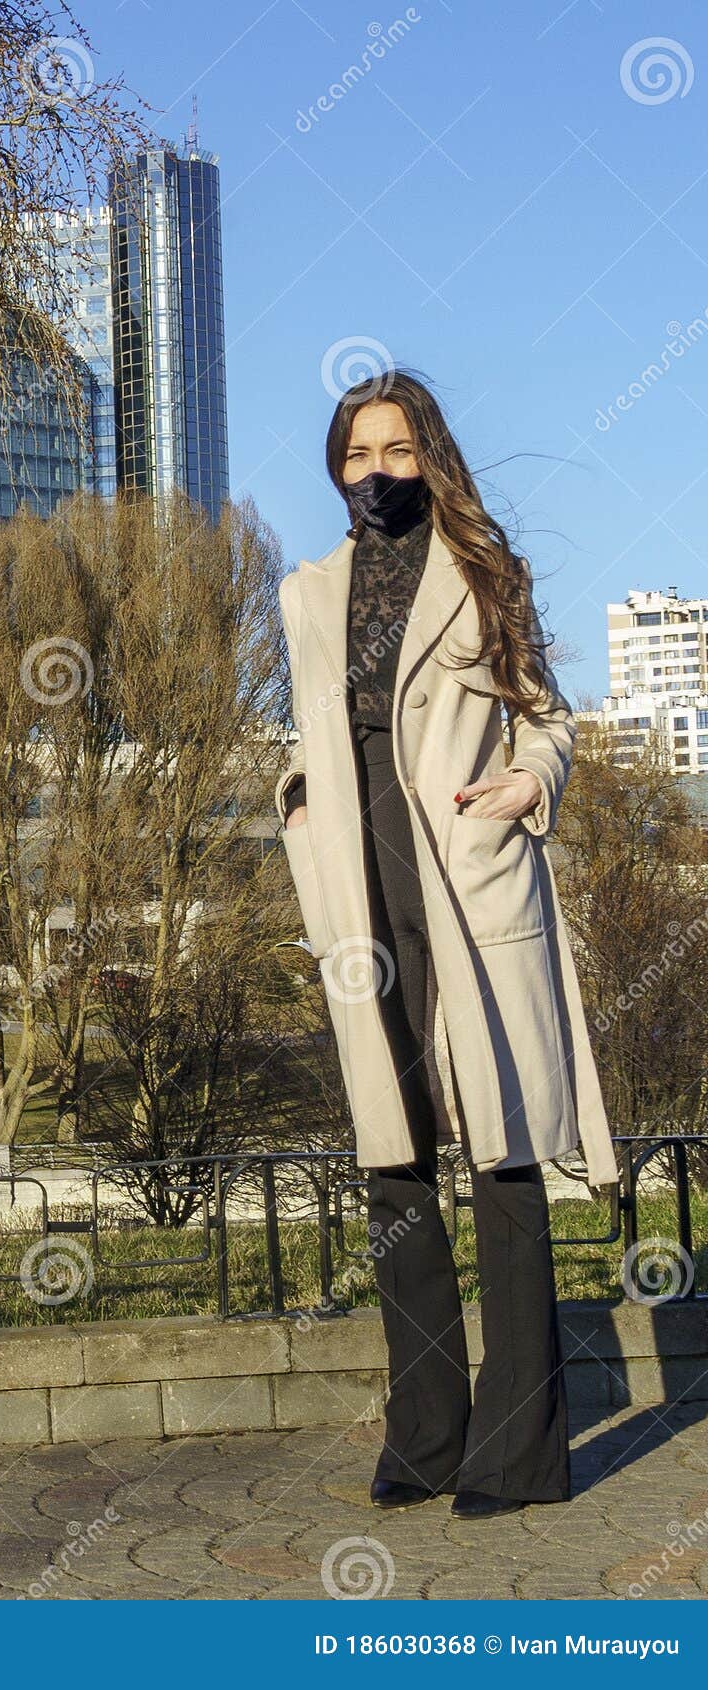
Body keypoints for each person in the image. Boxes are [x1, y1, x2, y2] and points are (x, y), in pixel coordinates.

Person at [276, 370, 619, 1518]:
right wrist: (298, 804)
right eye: (357, 452)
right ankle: (424, 1437)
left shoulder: (484, 574)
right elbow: (308, 729)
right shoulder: (305, 590)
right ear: (337, 468)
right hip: (359, 881)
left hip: (467, 877)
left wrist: (530, 779)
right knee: (394, 1162)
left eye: (398, 448)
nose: (377, 469)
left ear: (431, 457)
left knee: (502, 1155)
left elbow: (549, 716)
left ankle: (517, 1453)